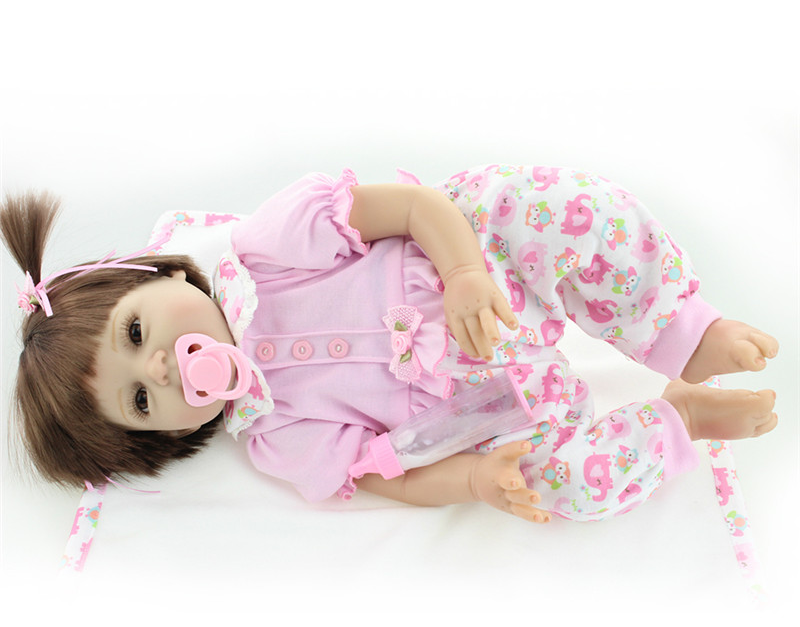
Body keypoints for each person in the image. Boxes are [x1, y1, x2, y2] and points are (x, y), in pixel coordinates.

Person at [1, 165, 778, 523]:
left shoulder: (267, 244)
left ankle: (680, 331)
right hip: (499, 403)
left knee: (558, 209)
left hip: (483, 262)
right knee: (557, 487)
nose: (162, 368)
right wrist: (474, 480)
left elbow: (412, 207)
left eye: (137, 331)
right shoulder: (278, 439)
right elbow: (388, 477)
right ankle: (680, 421)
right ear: (166, 439)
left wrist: (465, 272)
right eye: (141, 399)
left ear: (160, 272)